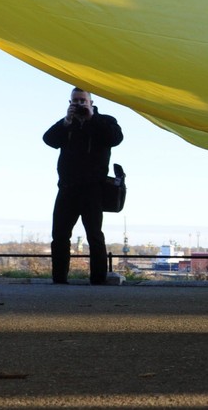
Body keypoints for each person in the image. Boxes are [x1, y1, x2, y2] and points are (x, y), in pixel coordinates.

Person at [43, 88, 123, 285]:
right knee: (60, 235)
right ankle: (59, 278)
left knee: (94, 235)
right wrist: (66, 122)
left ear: (91, 101)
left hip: (93, 189)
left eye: (82, 101)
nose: (79, 104)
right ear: (69, 102)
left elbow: (116, 139)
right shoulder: (67, 124)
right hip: (67, 187)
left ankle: (98, 279)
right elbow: (48, 139)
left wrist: (91, 119)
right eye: (75, 101)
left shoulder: (105, 121)